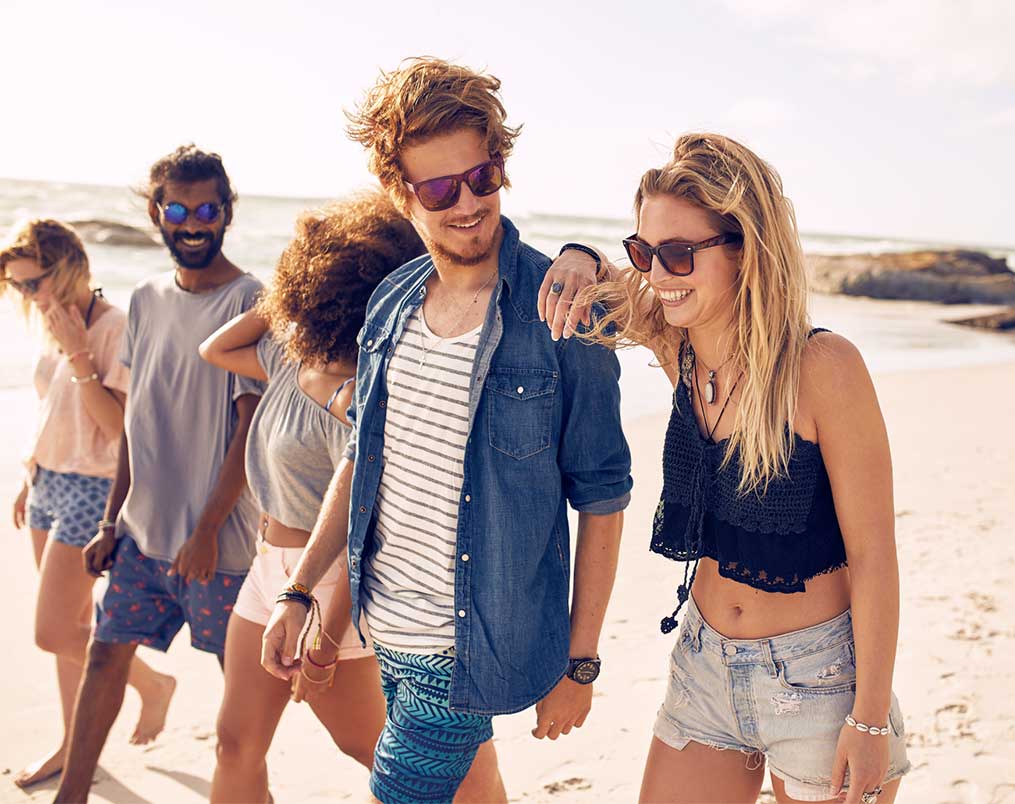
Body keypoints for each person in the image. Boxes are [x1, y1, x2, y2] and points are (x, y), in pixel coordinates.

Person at [260, 57, 632, 803]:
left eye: (481, 178)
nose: (466, 203)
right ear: (401, 193)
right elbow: (366, 460)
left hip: (465, 648)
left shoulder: (560, 308)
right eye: (438, 188)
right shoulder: (391, 304)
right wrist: (300, 594)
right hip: (384, 632)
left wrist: (580, 662)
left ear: (501, 169)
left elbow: (602, 495)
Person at [543, 133, 911, 804]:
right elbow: (597, 278)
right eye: (644, 251)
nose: (658, 273)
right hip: (703, 669)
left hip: (821, 683)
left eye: (680, 253)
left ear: (745, 250)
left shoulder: (823, 369)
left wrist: (870, 717)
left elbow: (876, 559)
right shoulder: (675, 341)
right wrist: (580, 253)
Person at [199, 193, 428, 802]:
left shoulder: (364, 396)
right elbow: (214, 348)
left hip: (327, 584)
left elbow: (368, 525)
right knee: (235, 742)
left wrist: (328, 640)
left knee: (377, 752)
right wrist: (283, 299)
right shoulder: (286, 353)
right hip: (264, 569)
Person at [54, 145, 265, 803]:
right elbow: (137, 425)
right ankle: (72, 796)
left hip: (218, 550)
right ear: (157, 213)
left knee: (242, 714)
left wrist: (206, 529)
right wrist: (112, 520)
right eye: (179, 208)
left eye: (207, 208)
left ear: (226, 212)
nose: (193, 222)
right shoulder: (144, 300)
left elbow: (247, 431)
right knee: (104, 658)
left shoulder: (251, 298)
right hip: (142, 539)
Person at [2, 220, 176, 789]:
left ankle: (151, 684)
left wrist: (80, 357)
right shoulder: (56, 325)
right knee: (70, 627)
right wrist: (32, 477)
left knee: (52, 631)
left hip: (94, 491)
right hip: (49, 482)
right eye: (19, 288)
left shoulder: (116, 329)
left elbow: (118, 430)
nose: (28, 297)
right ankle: (72, 746)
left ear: (68, 267)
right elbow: (57, 412)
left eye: (32, 284)